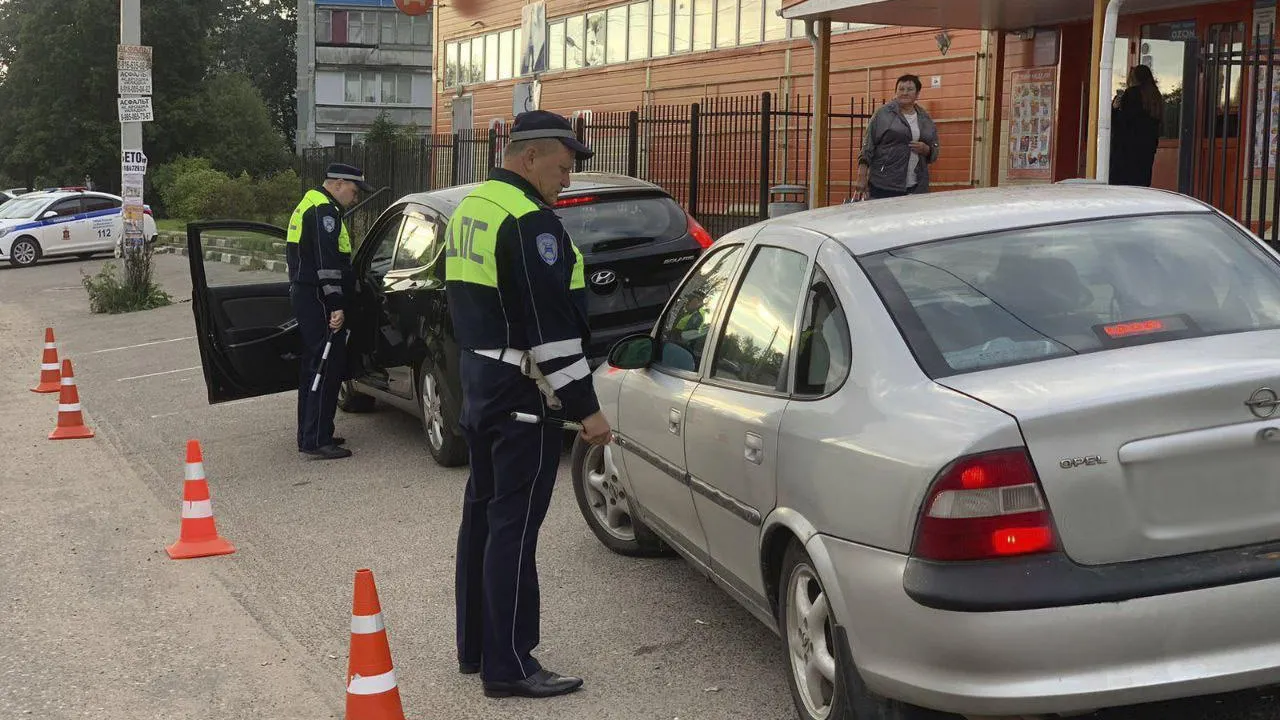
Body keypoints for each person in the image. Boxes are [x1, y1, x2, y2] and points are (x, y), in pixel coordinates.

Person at [446, 110, 613, 700]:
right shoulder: (528, 222)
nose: (566, 181)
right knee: (513, 529)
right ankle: (510, 664)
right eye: (563, 168)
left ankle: (477, 647)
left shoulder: (473, 206)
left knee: (484, 517)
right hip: (522, 390)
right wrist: (586, 409)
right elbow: (551, 331)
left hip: (480, 377)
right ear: (532, 155)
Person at [286, 163, 371, 460]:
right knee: (326, 366)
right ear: (337, 184)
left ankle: (310, 433)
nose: (356, 196)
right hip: (320, 299)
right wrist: (336, 305)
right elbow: (326, 263)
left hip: (308, 295)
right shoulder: (324, 212)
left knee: (313, 369)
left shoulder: (309, 204)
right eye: (354, 189)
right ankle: (318, 439)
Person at [852, 74, 941, 201]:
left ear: (917, 94)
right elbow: (867, 146)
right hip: (884, 184)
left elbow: (935, 149)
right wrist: (861, 176)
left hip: (916, 186)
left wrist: (926, 149)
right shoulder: (883, 114)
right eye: (901, 89)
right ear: (895, 92)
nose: (905, 93)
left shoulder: (924, 118)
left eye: (910, 89)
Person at [1109, 64, 1163, 187]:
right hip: (1146, 151)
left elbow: (1121, 123)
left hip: (1126, 152)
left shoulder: (1131, 94)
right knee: (1141, 185)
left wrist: (1115, 109)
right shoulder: (1155, 96)